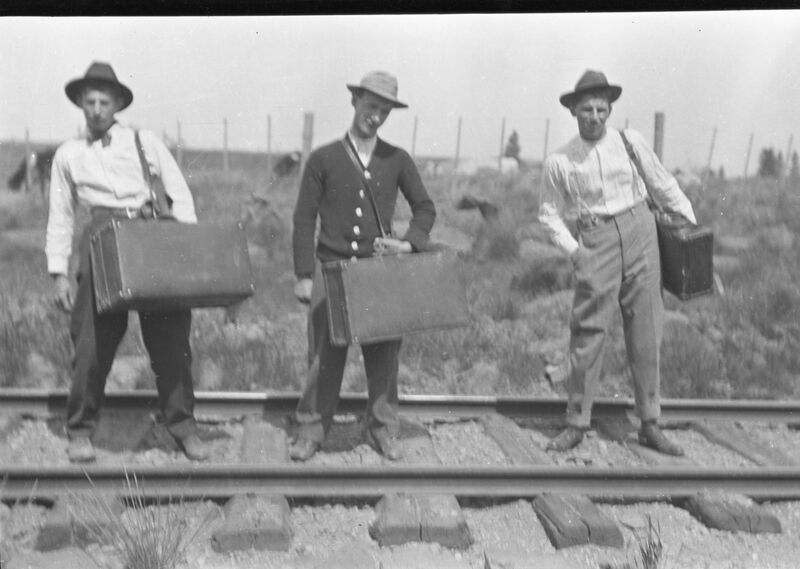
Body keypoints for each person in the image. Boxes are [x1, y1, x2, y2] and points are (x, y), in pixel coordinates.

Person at [46, 61, 211, 463]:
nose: (97, 109)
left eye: (105, 101)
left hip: (147, 238)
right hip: (99, 242)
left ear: (118, 103)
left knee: (171, 340)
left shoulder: (143, 141)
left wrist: (184, 247)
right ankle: (81, 431)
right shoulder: (68, 155)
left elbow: (179, 192)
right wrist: (58, 274)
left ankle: (184, 429)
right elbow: (61, 215)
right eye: (90, 101)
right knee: (91, 343)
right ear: (81, 105)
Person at [538, 70, 697, 456]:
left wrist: (691, 227)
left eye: (601, 109)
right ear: (573, 110)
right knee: (588, 331)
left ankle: (650, 423)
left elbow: (662, 184)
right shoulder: (560, 160)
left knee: (646, 330)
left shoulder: (630, 142)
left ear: (609, 111)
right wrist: (576, 251)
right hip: (596, 240)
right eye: (586, 109)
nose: (594, 116)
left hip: (641, 232)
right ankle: (577, 422)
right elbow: (548, 213)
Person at [290, 71, 436, 461]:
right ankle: (310, 431)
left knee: (385, 354)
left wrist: (408, 244)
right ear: (355, 101)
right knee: (324, 355)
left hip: (378, 273)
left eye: (384, 110)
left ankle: (383, 431)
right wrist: (305, 275)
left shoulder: (397, 159)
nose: (376, 116)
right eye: (371, 106)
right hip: (330, 270)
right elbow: (304, 218)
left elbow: (425, 207)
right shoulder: (323, 158)